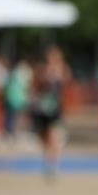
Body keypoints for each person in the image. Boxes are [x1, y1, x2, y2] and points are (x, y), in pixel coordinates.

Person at [30, 45, 71, 179]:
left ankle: (53, 164)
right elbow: (35, 86)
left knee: (55, 136)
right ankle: (48, 161)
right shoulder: (41, 70)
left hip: (55, 109)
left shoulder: (62, 69)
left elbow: (66, 83)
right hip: (42, 109)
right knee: (45, 138)